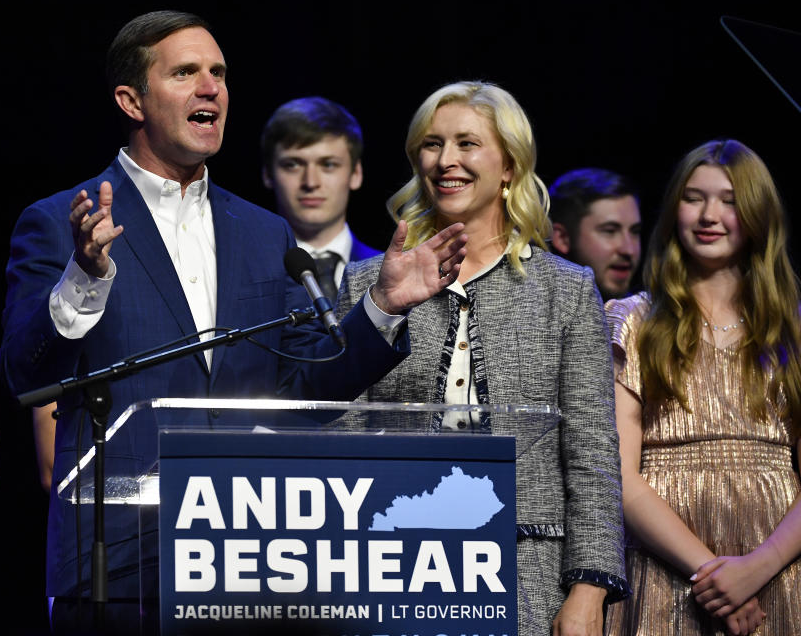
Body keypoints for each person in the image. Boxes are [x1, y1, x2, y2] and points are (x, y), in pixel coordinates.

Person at [0, 11, 465, 631]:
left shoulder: (263, 231)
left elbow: (307, 392)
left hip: (243, 552)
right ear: (130, 100)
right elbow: (26, 375)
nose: (210, 88)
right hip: (118, 566)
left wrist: (381, 307)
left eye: (218, 73)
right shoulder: (61, 221)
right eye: (186, 72)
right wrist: (83, 277)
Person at [335, 81, 628, 634]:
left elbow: (592, 452)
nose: (446, 160)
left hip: (527, 567)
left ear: (510, 165)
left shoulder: (564, 289)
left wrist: (589, 588)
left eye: (467, 143)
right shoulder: (368, 283)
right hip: (394, 562)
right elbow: (342, 435)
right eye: (432, 143)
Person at [604, 139, 801, 635]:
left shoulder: (794, 332)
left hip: (776, 563)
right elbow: (619, 476)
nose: (709, 214)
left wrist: (756, 567)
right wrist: (711, 575)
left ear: (758, 212)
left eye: (730, 200)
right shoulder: (632, 321)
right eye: (694, 197)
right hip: (666, 562)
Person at [260, 96, 378, 301]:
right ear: (268, 174)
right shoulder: (248, 275)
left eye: (328, 165)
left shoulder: (388, 272)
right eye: (293, 164)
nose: (311, 182)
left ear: (356, 173)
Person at [548, 168, 641, 301]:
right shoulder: (532, 313)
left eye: (635, 231)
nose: (629, 250)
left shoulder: (650, 317)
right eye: (610, 231)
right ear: (562, 238)